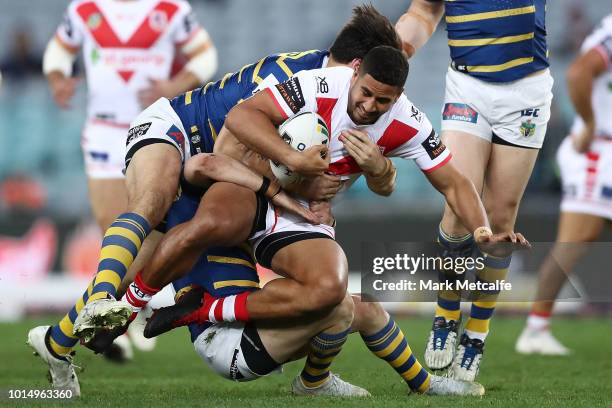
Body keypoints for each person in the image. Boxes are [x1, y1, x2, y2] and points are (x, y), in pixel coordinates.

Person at [26, 5, 407, 394]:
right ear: (357, 67)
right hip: (177, 129)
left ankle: (57, 343)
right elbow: (224, 154)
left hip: (216, 179)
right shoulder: (298, 83)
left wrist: (370, 175)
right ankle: (106, 298)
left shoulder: (338, 96)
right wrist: (290, 189)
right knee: (152, 202)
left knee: (152, 267)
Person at [40, 0, 218, 359]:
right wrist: (58, 79)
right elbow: (59, 50)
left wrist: (175, 82)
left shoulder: (169, 8)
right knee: (115, 230)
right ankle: (113, 319)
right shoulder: (85, 8)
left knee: (150, 227)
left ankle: (127, 313)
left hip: (155, 128)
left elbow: (204, 55)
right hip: (105, 130)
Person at [396, 0, 554, 381]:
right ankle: (446, 315)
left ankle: (477, 333)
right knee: (458, 205)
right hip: (468, 86)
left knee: (501, 218)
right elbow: (423, 12)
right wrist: (398, 46)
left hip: (527, 92)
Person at [143, 260, 485, 397]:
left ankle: (423, 384)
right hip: (225, 342)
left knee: (364, 306)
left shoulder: (233, 207)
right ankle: (314, 383)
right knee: (339, 307)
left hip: (248, 322)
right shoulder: (189, 224)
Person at [516, 14, 612, 356]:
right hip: (598, 151)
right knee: (575, 239)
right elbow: (578, 72)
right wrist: (588, 123)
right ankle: (536, 328)